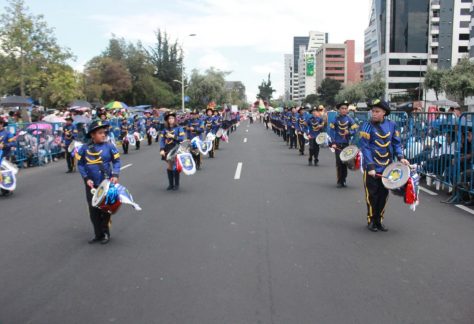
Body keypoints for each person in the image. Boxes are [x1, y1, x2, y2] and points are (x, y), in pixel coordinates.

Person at [359, 99, 410, 232]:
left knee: (383, 195)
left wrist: (401, 158)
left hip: (387, 168)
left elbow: (396, 143)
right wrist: (370, 166)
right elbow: (365, 147)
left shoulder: (392, 125)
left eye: (377, 111)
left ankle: (379, 220)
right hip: (372, 167)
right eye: (373, 111)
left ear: (384, 113)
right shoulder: (366, 125)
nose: (373, 114)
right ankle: (371, 220)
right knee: (372, 195)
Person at [76, 120, 121, 244]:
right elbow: (80, 165)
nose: (103, 135)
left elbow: (117, 161)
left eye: (104, 132)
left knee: (106, 209)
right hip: (91, 185)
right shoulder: (84, 148)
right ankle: (98, 234)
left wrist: (115, 174)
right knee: (93, 210)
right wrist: (86, 178)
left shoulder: (110, 146)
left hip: (106, 184)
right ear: (92, 135)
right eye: (100, 133)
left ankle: (106, 233)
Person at [329, 101, 359, 188]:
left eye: (346, 108)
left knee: (345, 162)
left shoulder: (349, 119)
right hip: (337, 144)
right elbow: (331, 131)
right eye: (342, 108)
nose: (344, 110)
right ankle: (339, 180)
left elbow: (355, 130)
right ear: (339, 110)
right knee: (339, 162)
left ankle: (344, 180)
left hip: (346, 144)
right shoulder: (335, 119)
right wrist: (333, 142)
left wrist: (349, 132)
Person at [159, 112, 185, 190]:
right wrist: (162, 149)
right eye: (169, 118)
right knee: (170, 166)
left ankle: (176, 184)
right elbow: (162, 140)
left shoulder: (179, 128)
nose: (171, 120)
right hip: (167, 149)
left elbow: (181, 138)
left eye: (172, 118)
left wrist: (173, 136)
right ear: (167, 120)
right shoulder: (164, 129)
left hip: (176, 148)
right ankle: (171, 184)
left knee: (175, 167)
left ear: (175, 119)